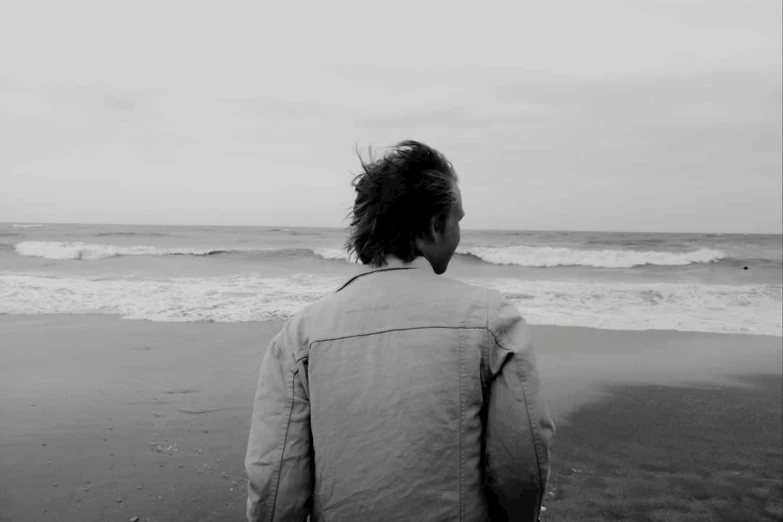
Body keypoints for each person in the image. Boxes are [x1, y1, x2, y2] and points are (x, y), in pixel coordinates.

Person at [245, 140, 555, 522]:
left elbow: (275, 486)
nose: (459, 233)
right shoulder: (493, 321)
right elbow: (520, 465)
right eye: (457, 219)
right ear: (434, 225)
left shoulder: (301, 335)